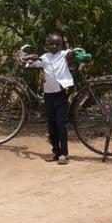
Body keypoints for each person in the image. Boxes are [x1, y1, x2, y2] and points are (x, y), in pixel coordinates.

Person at [27, 34, 76, 165]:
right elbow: (32, 65)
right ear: (47, 45)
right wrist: (31, 59)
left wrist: (73, 52)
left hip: (61, 95)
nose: (54, 46)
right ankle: (56, 152)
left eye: (57, 44)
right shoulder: (44, 57)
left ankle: (64, 154)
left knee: (60, 124)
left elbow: (74, 52)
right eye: (51, 44)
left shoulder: (64, 55)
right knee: (51, 125)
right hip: (48, 95)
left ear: (61, 46)